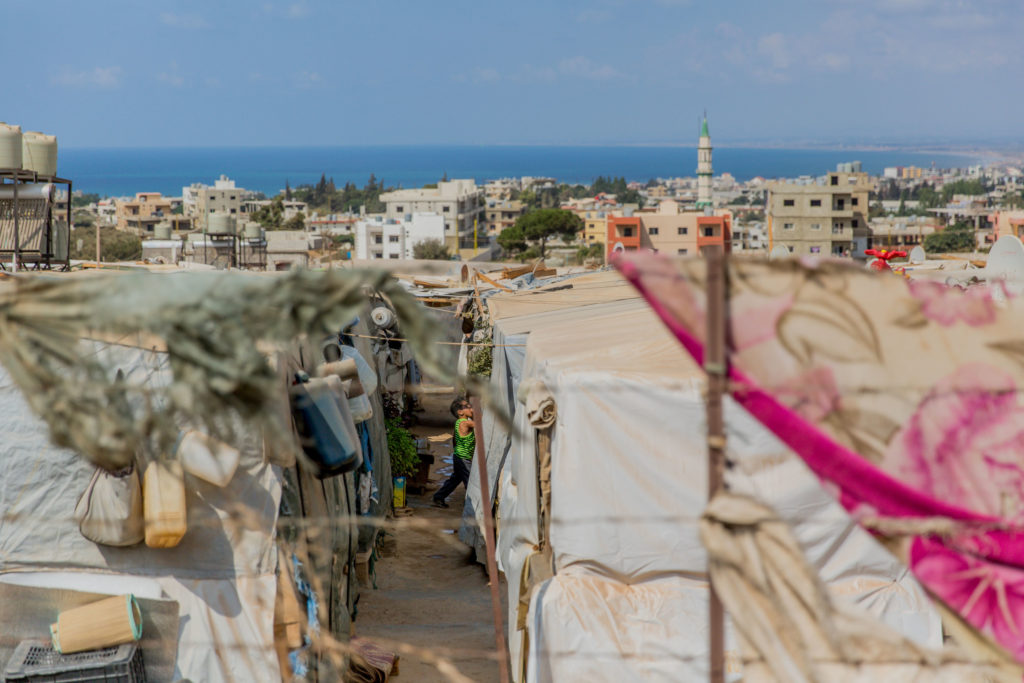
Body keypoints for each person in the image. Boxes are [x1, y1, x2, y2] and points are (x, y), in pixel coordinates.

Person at [432, 397, 475, 508]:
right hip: (463, 459)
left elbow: (454, 439)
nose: (470, 407)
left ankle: (438, 497)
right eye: (467, 406)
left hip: (459, 457)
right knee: (470, 482)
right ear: (460, 412)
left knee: (455, 479)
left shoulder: (459, 423)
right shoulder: (464, 423)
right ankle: (472, 506)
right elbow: (481, 424)